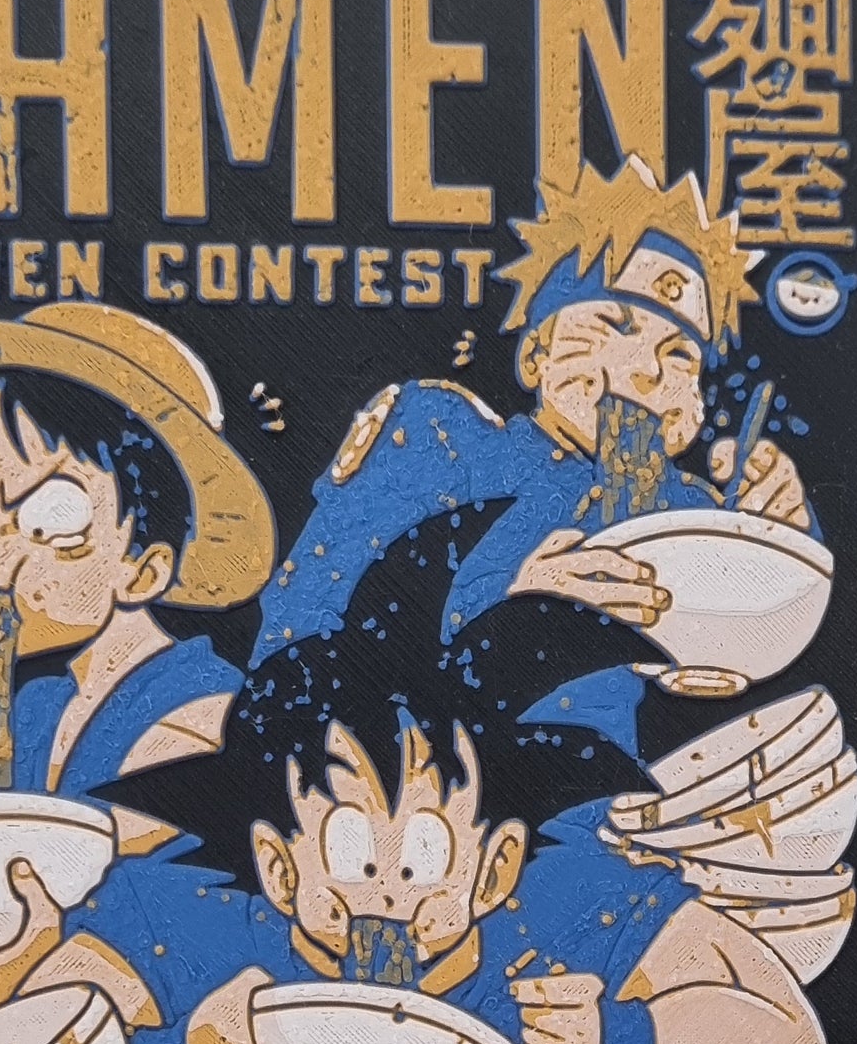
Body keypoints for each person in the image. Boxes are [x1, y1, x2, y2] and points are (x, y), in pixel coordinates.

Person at [49, 523, 826, 1044]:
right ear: (278, 867)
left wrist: (615, 1042)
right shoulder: (192, 913)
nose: (385, 890)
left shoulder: (566, 911)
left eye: (426, 851)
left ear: (494, 866)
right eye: (347, 849)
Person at [0, 304, 276, 1014]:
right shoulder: (32, 710)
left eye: (49, 520)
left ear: (145, 567)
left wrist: (22, 961)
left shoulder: (203, 722)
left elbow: (185, 935)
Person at [253, 157, 809, 693]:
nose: (647, 370)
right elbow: (295, 634)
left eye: (681, 354)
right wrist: (513, 608)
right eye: (613, 325)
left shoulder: (689, 510)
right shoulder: (440, 439)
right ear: (535, 355)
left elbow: (757, 648)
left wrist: (782, 538)